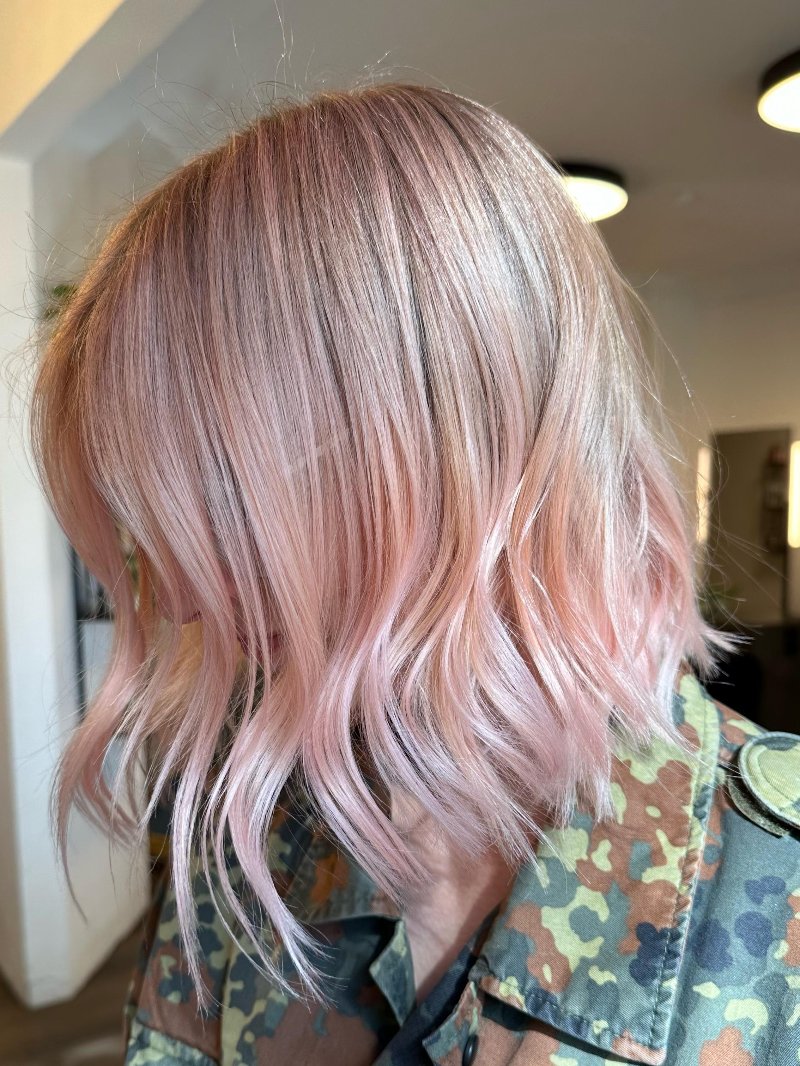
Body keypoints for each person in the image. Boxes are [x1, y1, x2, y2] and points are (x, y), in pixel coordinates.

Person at [29, 81, 800, 1065]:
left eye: (228, 505)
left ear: (445, 455)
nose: (177, 599)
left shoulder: (774, 914)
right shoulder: (254, 823)